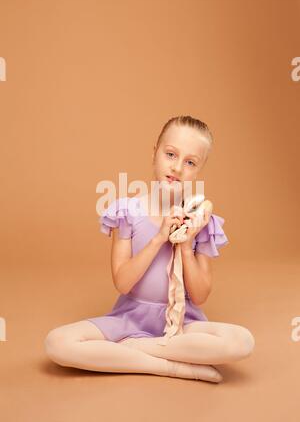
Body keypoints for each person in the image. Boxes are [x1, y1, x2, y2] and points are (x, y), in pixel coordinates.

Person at [44, 115, 255, 383]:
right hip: (131, 319)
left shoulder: (202, 220)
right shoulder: (127, 211)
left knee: (241, 341)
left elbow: (200, 295)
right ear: (154, 152)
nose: (177, 167)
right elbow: (122, 283)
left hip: (181, 323)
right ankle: (169, 366)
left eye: (190, 162)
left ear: (199, 170)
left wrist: (187, 241)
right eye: (170, 154)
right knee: (57, 342)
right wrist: (158, 239)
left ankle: (133, 350)